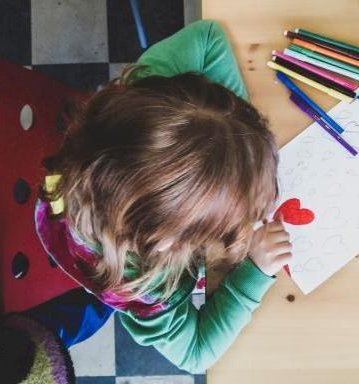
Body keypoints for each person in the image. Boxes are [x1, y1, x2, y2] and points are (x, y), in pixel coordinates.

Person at [35, 20, 291, 373]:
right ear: (172, 242)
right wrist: (256, 271)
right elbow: (197, 355)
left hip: (74, 192)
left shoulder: (158, 101)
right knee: (92, 307)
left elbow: (208, 38)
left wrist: (233, 137)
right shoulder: (146, 284)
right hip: (90, 256)